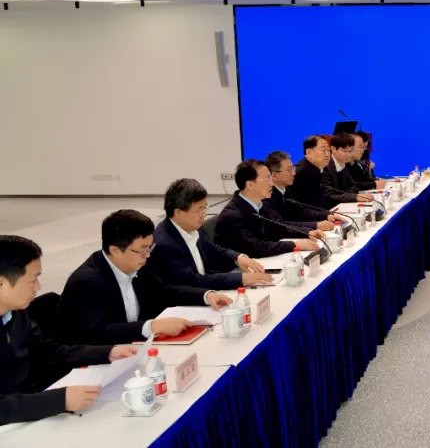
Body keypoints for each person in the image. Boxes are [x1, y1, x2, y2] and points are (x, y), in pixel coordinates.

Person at [0, 235, 138, 426]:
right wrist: (59, 400)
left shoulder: (16, 313)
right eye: (32, 280)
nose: (38, 288)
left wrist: (106, 352)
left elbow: (48, 351)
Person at [57, 210, 233, 345]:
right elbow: (98, 333)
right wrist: (151, 327)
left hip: (137, 347)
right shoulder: (86, 283)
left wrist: (205, 296)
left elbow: (164, 291)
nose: (147, 256)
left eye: (149, 248)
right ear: (115, 250)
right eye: (142, 250)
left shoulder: (136, 263)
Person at [147, 178, 272, 290]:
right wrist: (240, 279)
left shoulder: (193, 227)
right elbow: (192, 280)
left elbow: (213, 249)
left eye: (205, 208)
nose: (204, 214)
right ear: (178, 212)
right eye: (199, 210)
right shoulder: (165, 244)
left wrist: (238, 258)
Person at [214, 159, 322, 258]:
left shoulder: (259, 205)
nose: (271, 183)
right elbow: (256, 247)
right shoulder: (232, 215)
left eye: (270, 178)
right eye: (267, 179)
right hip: (236, 269)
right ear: (250, 185)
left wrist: (307, 232)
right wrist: (294, 244)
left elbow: (278, 227)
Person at [265, 150, 348, 232]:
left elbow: (300, 211)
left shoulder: (285, 189)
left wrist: (326, 216)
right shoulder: (267, 196)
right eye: (289, 170)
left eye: (293, 168)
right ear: (275, 175)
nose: (294, 173)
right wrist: (316, 225)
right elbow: (280, 224)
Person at [322, 133, 374, 205]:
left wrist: (348, 195)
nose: (348, 155)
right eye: (345, 151)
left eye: (350, 151)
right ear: (333, 149)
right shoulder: (325, 167)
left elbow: (354, 185)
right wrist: (354, 197)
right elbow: (329, 196)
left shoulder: (343, 163)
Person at [292, 135, 334, 210]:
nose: (327, 154)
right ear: (309, 152)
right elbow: (302, 209)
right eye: (323, 150)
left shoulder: (319, 168)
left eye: (328, 150)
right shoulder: (299, 173)